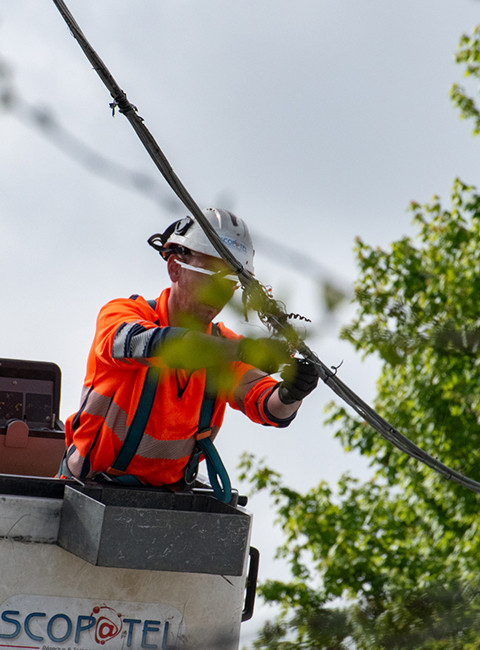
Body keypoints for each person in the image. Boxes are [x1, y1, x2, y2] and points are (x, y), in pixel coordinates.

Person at [61, 208, 319, 493]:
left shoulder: (225, 348)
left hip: (169, 505)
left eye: (230, 283)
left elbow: (269, 406)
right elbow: (158, 344)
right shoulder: (122, 315)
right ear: (175, 268)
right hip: (87, 492)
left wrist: (291, 395)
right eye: (211, 276)